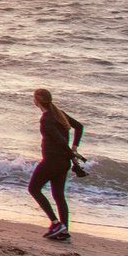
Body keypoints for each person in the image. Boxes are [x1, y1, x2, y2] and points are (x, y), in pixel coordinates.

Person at [28, 88, 84, 242]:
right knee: (59, 196)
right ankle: (64, 231)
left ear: (37, 101)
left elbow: (59, 140)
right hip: (63, 163)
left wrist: (72, 153)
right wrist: (74, 148)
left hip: (51, 161)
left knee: (33, 188)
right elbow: (79, 127)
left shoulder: (46, 119)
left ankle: (55, 223)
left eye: (34, 98)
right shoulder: (59, 114)